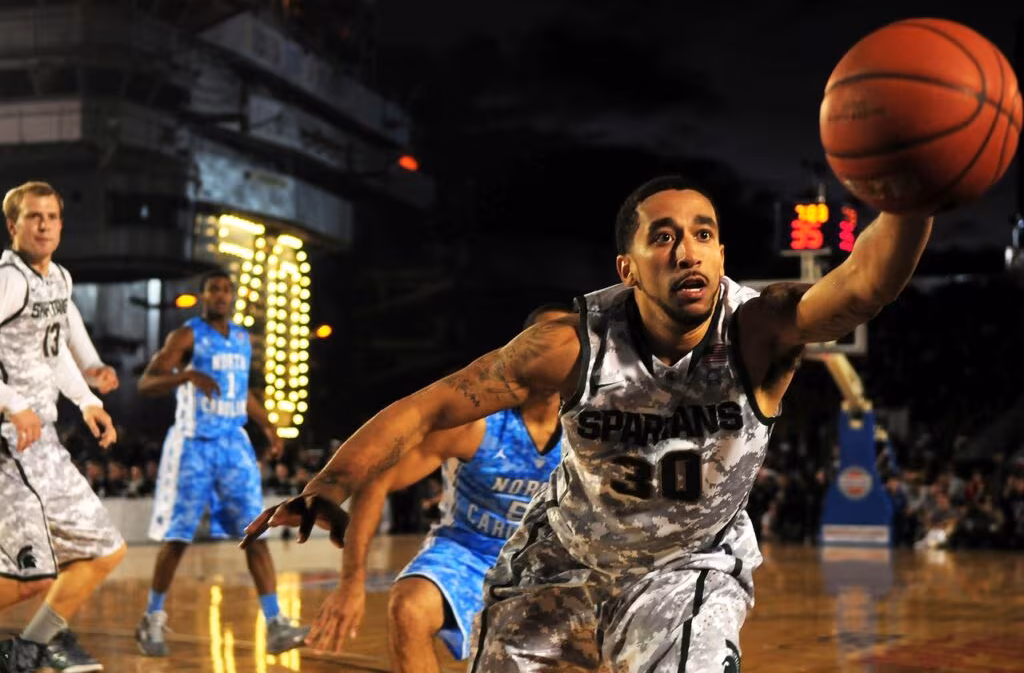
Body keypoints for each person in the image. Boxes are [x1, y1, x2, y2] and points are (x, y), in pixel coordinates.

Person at [244, 175, 935, 671]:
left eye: (704, 234)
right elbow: (431, 406)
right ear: (627, 267)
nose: (687, 250)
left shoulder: (760, 331)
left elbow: (862, 286)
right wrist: (328, 485)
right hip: (560, 561)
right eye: (663, 237)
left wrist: (913, 195)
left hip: (685, 567)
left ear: (722, 257)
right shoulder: (570, 344)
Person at [306, 304, 570, 672]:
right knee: (409, 607)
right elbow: (378, 480)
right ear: (518, 350)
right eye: (543, 339)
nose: (554, 348)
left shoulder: (592, 426)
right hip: (469, 551)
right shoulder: (477, 422)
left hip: (551, 563)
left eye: (566, 339)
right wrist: (352, 582)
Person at [134, 269, 309, 657]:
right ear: (202, 296)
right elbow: (146, 383)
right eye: (214, 290)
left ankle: (277, 623)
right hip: (193, 445)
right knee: (177, 539)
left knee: (255, 531)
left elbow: (241, 389)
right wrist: (186, 375)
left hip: (233, 444)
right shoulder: (186, 336)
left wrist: (268, 427)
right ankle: (152, 617)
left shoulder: (244, 338)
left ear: (233, 297)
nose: (221, 296)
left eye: (227, 290)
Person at [0, 181, 122, 673]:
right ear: (14, 226)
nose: (44, 224)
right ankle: (31, 649)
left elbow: (55, 353)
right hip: (11, 442)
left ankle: (29, 649)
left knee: (101, 553)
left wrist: (87, 399)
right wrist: (12, 404)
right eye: (34, 216)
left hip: (40, 440)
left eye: (51, 216)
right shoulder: (9, 279)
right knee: (34, 574)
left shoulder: (56, 279)